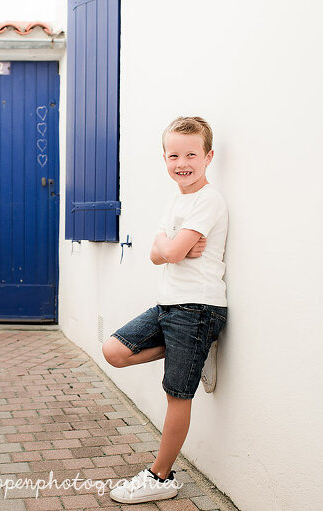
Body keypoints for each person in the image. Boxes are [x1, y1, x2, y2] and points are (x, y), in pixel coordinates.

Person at [103, 116, 229, 504]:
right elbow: (155, 254)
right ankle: (193, 353)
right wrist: (167, 246)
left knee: (177, 394)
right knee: (114, 350)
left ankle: (161, 476)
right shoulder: (177, 200)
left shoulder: (208, 200)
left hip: (198, 307)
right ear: (165, 159)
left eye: (191, 154)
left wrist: (168, 245)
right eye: (174, 155)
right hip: (170, 304)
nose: (182, 162)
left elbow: (168, 251)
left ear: (208, 157)